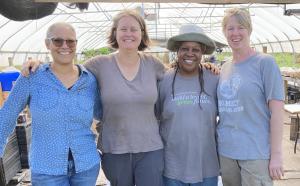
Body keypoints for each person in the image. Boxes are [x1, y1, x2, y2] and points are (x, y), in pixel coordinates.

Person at [0, 22, 101, 186]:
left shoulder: (89, 80)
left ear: (76, 44)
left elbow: (102, 113)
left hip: (86, 166)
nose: (65, 46)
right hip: (47, 169)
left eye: (70, 41)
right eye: (57, 41)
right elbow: (6, 115)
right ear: (47, 44)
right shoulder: (32, 77)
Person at [217, 8, 284, 186]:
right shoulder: (224, 68)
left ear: (249, 30)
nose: (235, 33)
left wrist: (276, 155)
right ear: (224, 32)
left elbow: (277, 113)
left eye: (241, 27)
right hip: (227, 152)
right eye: (230, 28)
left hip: (255, 154)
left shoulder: (265, 63)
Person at [157, 24, 219, 186]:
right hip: (172, 168)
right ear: (177, 51)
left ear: (203, 52)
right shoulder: (163, 80)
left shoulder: (215, 79)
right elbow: (154, 118)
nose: (190, 53)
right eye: (185, 48)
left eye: (196, 49)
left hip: (207, 167)